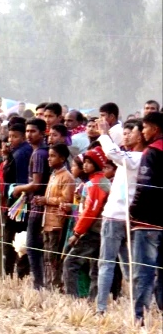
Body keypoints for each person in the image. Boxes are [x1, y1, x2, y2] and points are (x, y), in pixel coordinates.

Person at [94, 119, 145, 315]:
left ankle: (101, 308)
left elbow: (112, 153)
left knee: (107, 263)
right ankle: (134, 306)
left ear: (140, 135)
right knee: (127, 265)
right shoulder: (135, 156)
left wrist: (104, 135)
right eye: (123, 133)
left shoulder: (137, 157)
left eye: (129, 132)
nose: (125, 136)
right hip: (127, 217)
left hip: (117, 217)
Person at [129, 112, 163, 324]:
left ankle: (140, 317)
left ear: (156, 129)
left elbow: (144, 186)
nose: (142, 131)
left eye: (145, 127)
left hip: (148, 220)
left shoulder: (151, 153)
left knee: (145, 271)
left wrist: (133, 212)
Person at [63, 146, 110, 300]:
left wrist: (77, 232)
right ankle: (93, 299)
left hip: (92, 229)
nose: (85, 165)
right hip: (100, 229)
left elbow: (91, 210)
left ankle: (73, 299)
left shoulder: (96, 183)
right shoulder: (99, 181)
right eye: (85, 162)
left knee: (71, 263)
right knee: (95, 268)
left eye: (90, 162)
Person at [12, 119, 51, 289]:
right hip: (37, 203)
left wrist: (18, 188)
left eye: (33, 131)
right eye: (27, 131)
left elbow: (36, 184)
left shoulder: (39, 154)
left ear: (43, 133)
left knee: (33, 246)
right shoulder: (39, 152)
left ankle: (38, 284)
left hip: (38, 204)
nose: (29, 134)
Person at [32, 143, 75, 290]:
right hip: (47, 220)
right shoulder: (53, 175)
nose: (49, 159)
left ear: (62, 158)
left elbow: (67, 201)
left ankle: (55, 285)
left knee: (54, 256)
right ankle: (49, 284)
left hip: (58, 222)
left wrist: (46, 200)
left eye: (53, 156)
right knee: (47, 256)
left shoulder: (67, 177)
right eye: (49, 155)